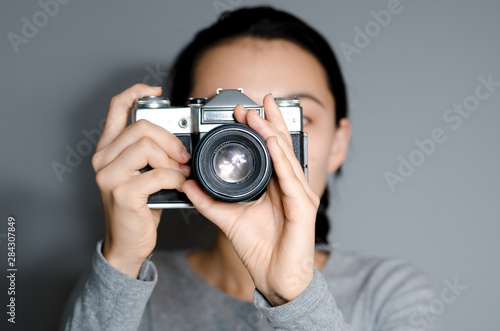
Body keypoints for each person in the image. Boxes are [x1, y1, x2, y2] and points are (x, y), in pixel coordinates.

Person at [62, 6, 439, 331]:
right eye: (224, 121)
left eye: (292, 119)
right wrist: (122, 262)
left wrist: (292, 292)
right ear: (176, 134)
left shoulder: (389, 292)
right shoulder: (128, 285)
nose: (254, 142)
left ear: (338, 144)